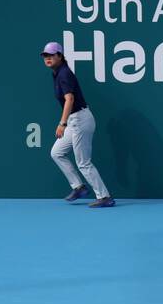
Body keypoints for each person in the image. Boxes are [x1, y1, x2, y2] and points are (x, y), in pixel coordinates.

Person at [41, 41, 114, 208]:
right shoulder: (57, 73)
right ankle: (79, 187)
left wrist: (62, 123)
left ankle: (105, 197)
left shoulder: (64, 73)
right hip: (74, 121)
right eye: (45, 55)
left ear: (60, 56)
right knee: (56, 152)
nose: (48, 58)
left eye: (51, 55)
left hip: (80, 120)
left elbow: (70, 99)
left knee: (83, 162)